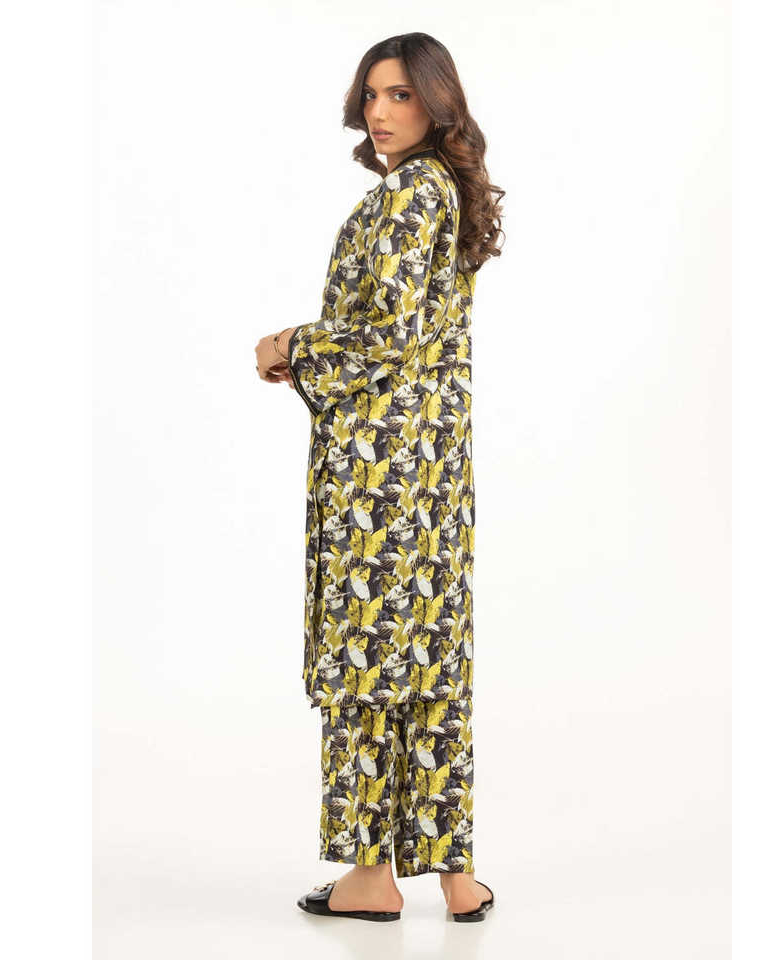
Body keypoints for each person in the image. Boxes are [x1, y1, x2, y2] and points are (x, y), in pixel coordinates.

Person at [256, 32, 505, 923]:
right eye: (371, 95)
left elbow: (385, 337)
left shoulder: (406, 197)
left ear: (438, 102)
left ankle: (369, 876)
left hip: (380, 474)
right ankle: (455, 873)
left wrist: (292, 345)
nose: (380, 111)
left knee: (367, 658)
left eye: (400, 94)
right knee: (429, 655)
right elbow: (415, 336)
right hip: (434, 470)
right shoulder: (445, 192)